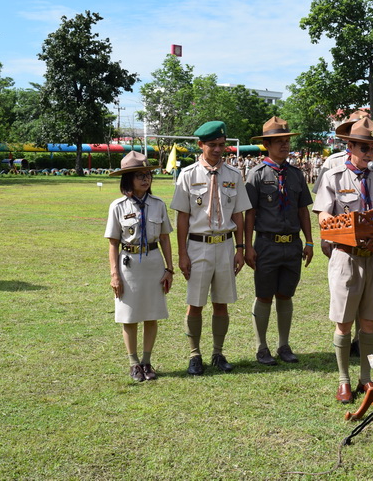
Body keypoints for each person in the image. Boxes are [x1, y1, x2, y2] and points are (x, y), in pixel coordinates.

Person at [313, 117, 373, 404]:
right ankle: (343, 381)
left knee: (369, 322)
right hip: (346, 257)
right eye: (364, 147)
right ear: (349, 146)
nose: (370, 154)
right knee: (343, 322)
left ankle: (365, 379)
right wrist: (339, 227)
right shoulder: (333, 176)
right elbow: (323, 215)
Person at [170, 121, 251, 376]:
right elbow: (182, 217)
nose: (218, 149)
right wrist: (182, 254)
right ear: (200, 145)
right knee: (195, 303)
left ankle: (218, 353)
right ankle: (194, 355)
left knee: (221, 303)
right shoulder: (188, 175)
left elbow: (238, 214)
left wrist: (240, 248)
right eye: (212, 144)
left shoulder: (234, 175)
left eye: (221, 144)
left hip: (225, 245)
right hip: (198, 246)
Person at [245, 117, 314, 365]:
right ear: (266, 145)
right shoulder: (256, 175)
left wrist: (309, 242)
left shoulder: (296, 174)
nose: (285, 145)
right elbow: (249, 213)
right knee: (264, 295)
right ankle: (261, 347)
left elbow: (303, 210)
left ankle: (284, 345)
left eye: (287, 141)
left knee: (285, 295)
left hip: (292, 245)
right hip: (267, 244)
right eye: (279, 141)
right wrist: (248, 246)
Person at [104, 151, 174, 382]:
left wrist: (169, 269)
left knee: (152, 314)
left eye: (148, 174)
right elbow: (113, 243)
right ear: (128, 179)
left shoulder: (158, 204)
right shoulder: (118, 206)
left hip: (153, 262)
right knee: (129, 315)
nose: (145, 179)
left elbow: (164, 238)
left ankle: (146, 360)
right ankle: (133, 363)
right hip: (129, 264)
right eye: (139, 175)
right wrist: (114, 275)